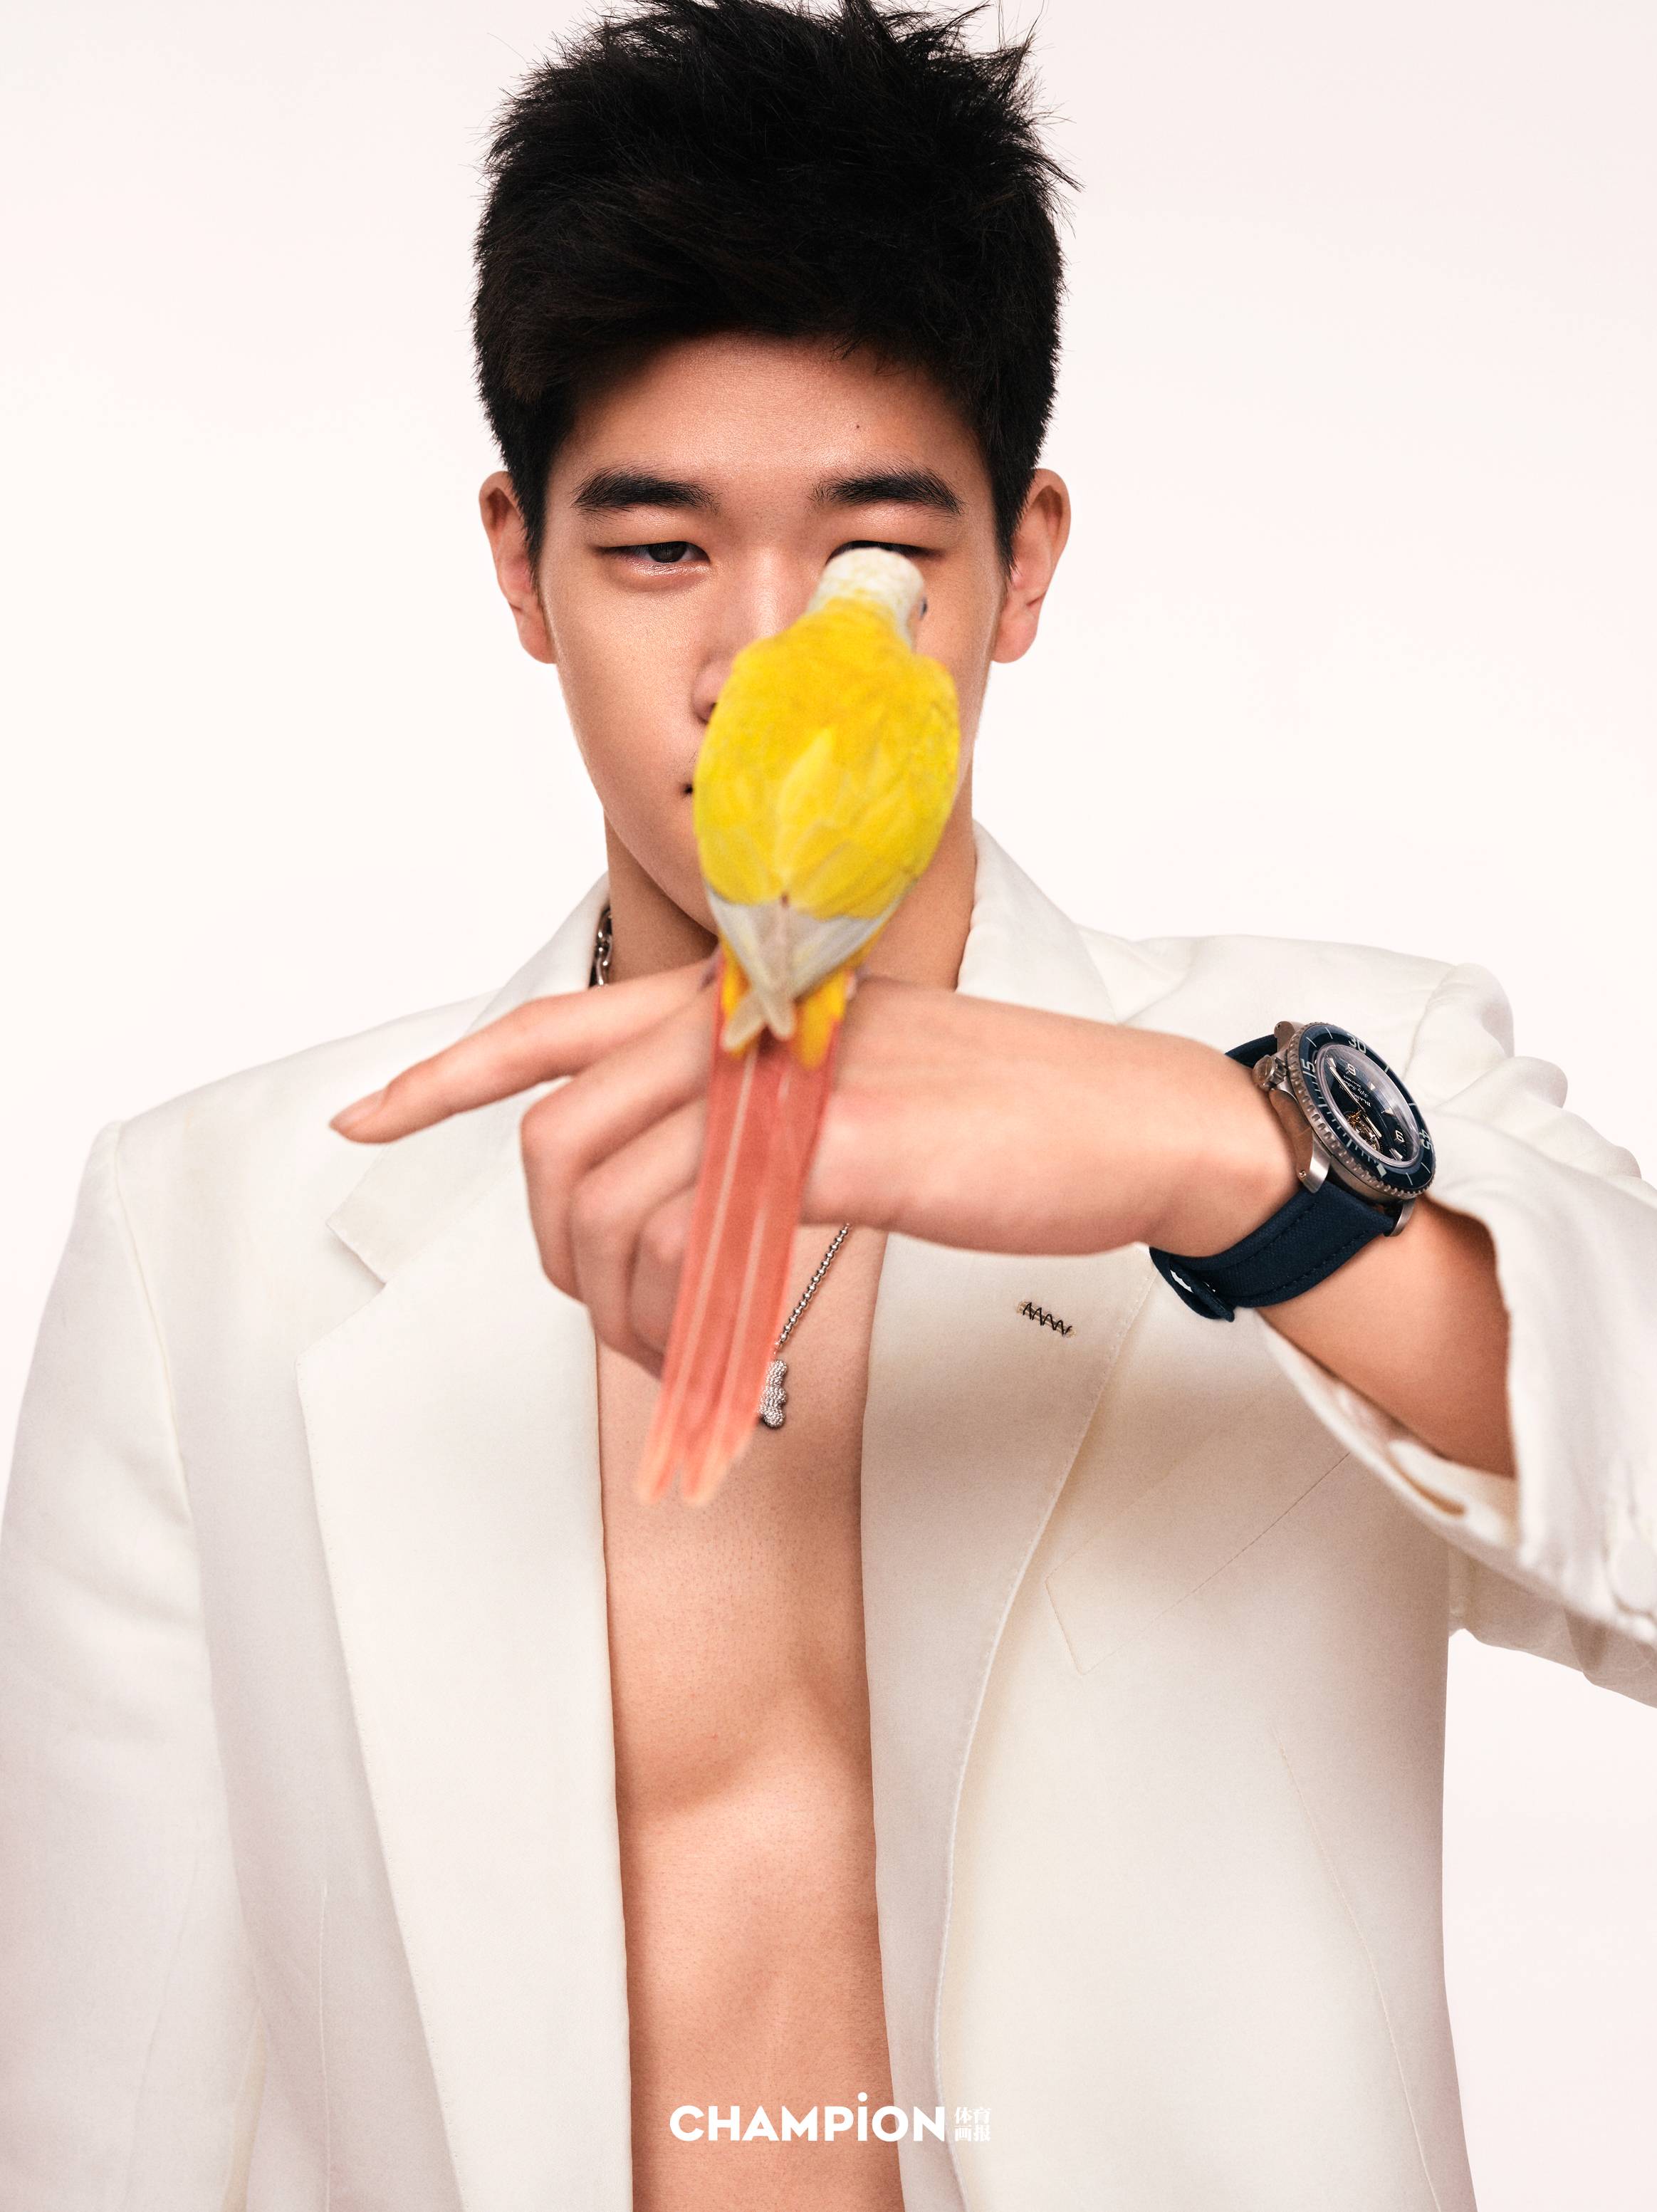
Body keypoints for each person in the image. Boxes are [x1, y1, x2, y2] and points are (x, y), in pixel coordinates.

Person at [2, 2, 1653, 2208]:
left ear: (1024, 564)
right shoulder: (206, 1234)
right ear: (518, 563)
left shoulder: (1337, 1083)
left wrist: (1208, 1150)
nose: (761, 669)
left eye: (875, 557)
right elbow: (103, 2127)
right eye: (660, 550)